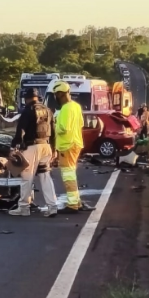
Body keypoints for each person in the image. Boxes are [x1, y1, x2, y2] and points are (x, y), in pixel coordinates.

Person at [9, 89, 58, 217]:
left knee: (27, 178)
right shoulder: (48, 110)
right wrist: (54, 149)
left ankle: (24, 207)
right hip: (46, 146)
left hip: (32, 147)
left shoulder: (28, 110)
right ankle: (52, 206)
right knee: (45, 176)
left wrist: (14, 146)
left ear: (28, 98)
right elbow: (53, 130)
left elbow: (21, 130)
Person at [53, 80, 95, 214]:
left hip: (67, 145)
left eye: (56, 95)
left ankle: (72, 205)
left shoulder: (65, 108)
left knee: (68, 176)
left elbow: (63, 128)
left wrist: (55, 123)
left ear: (59, 94)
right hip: (76, 143)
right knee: (71, 174)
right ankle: (76, 201)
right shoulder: (76, 106)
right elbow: (81, 123)